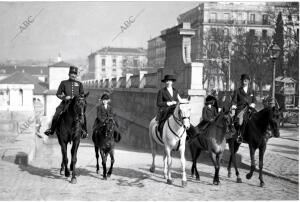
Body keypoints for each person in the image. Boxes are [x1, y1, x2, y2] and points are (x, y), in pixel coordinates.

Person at [44, 66, 88, 137]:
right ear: (69, 74)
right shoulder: (63, 83)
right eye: (72, 73)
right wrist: (65, 97)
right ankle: (51, 129)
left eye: (74, 74)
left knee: (83, 115)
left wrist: (79, 99)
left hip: (76, 104)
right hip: (65, 103)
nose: (73, 75)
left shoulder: (79, 84)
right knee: (57, 113)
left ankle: (84, 131)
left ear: (76, 75)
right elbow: (58, 94)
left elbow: (82, 94)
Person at [232, 73, 256, 143]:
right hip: (241, 109)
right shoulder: (237, 91)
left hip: (250, 108)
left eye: (245, 80)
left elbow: (254, 100)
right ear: (241, 81)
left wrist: (253, 104)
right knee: (241, 120)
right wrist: (233, 106)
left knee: (257, 116)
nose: (244, 82)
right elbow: (234, 101)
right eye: (243, 80)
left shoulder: (252, 91)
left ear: (249, 81)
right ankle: (240, 135)